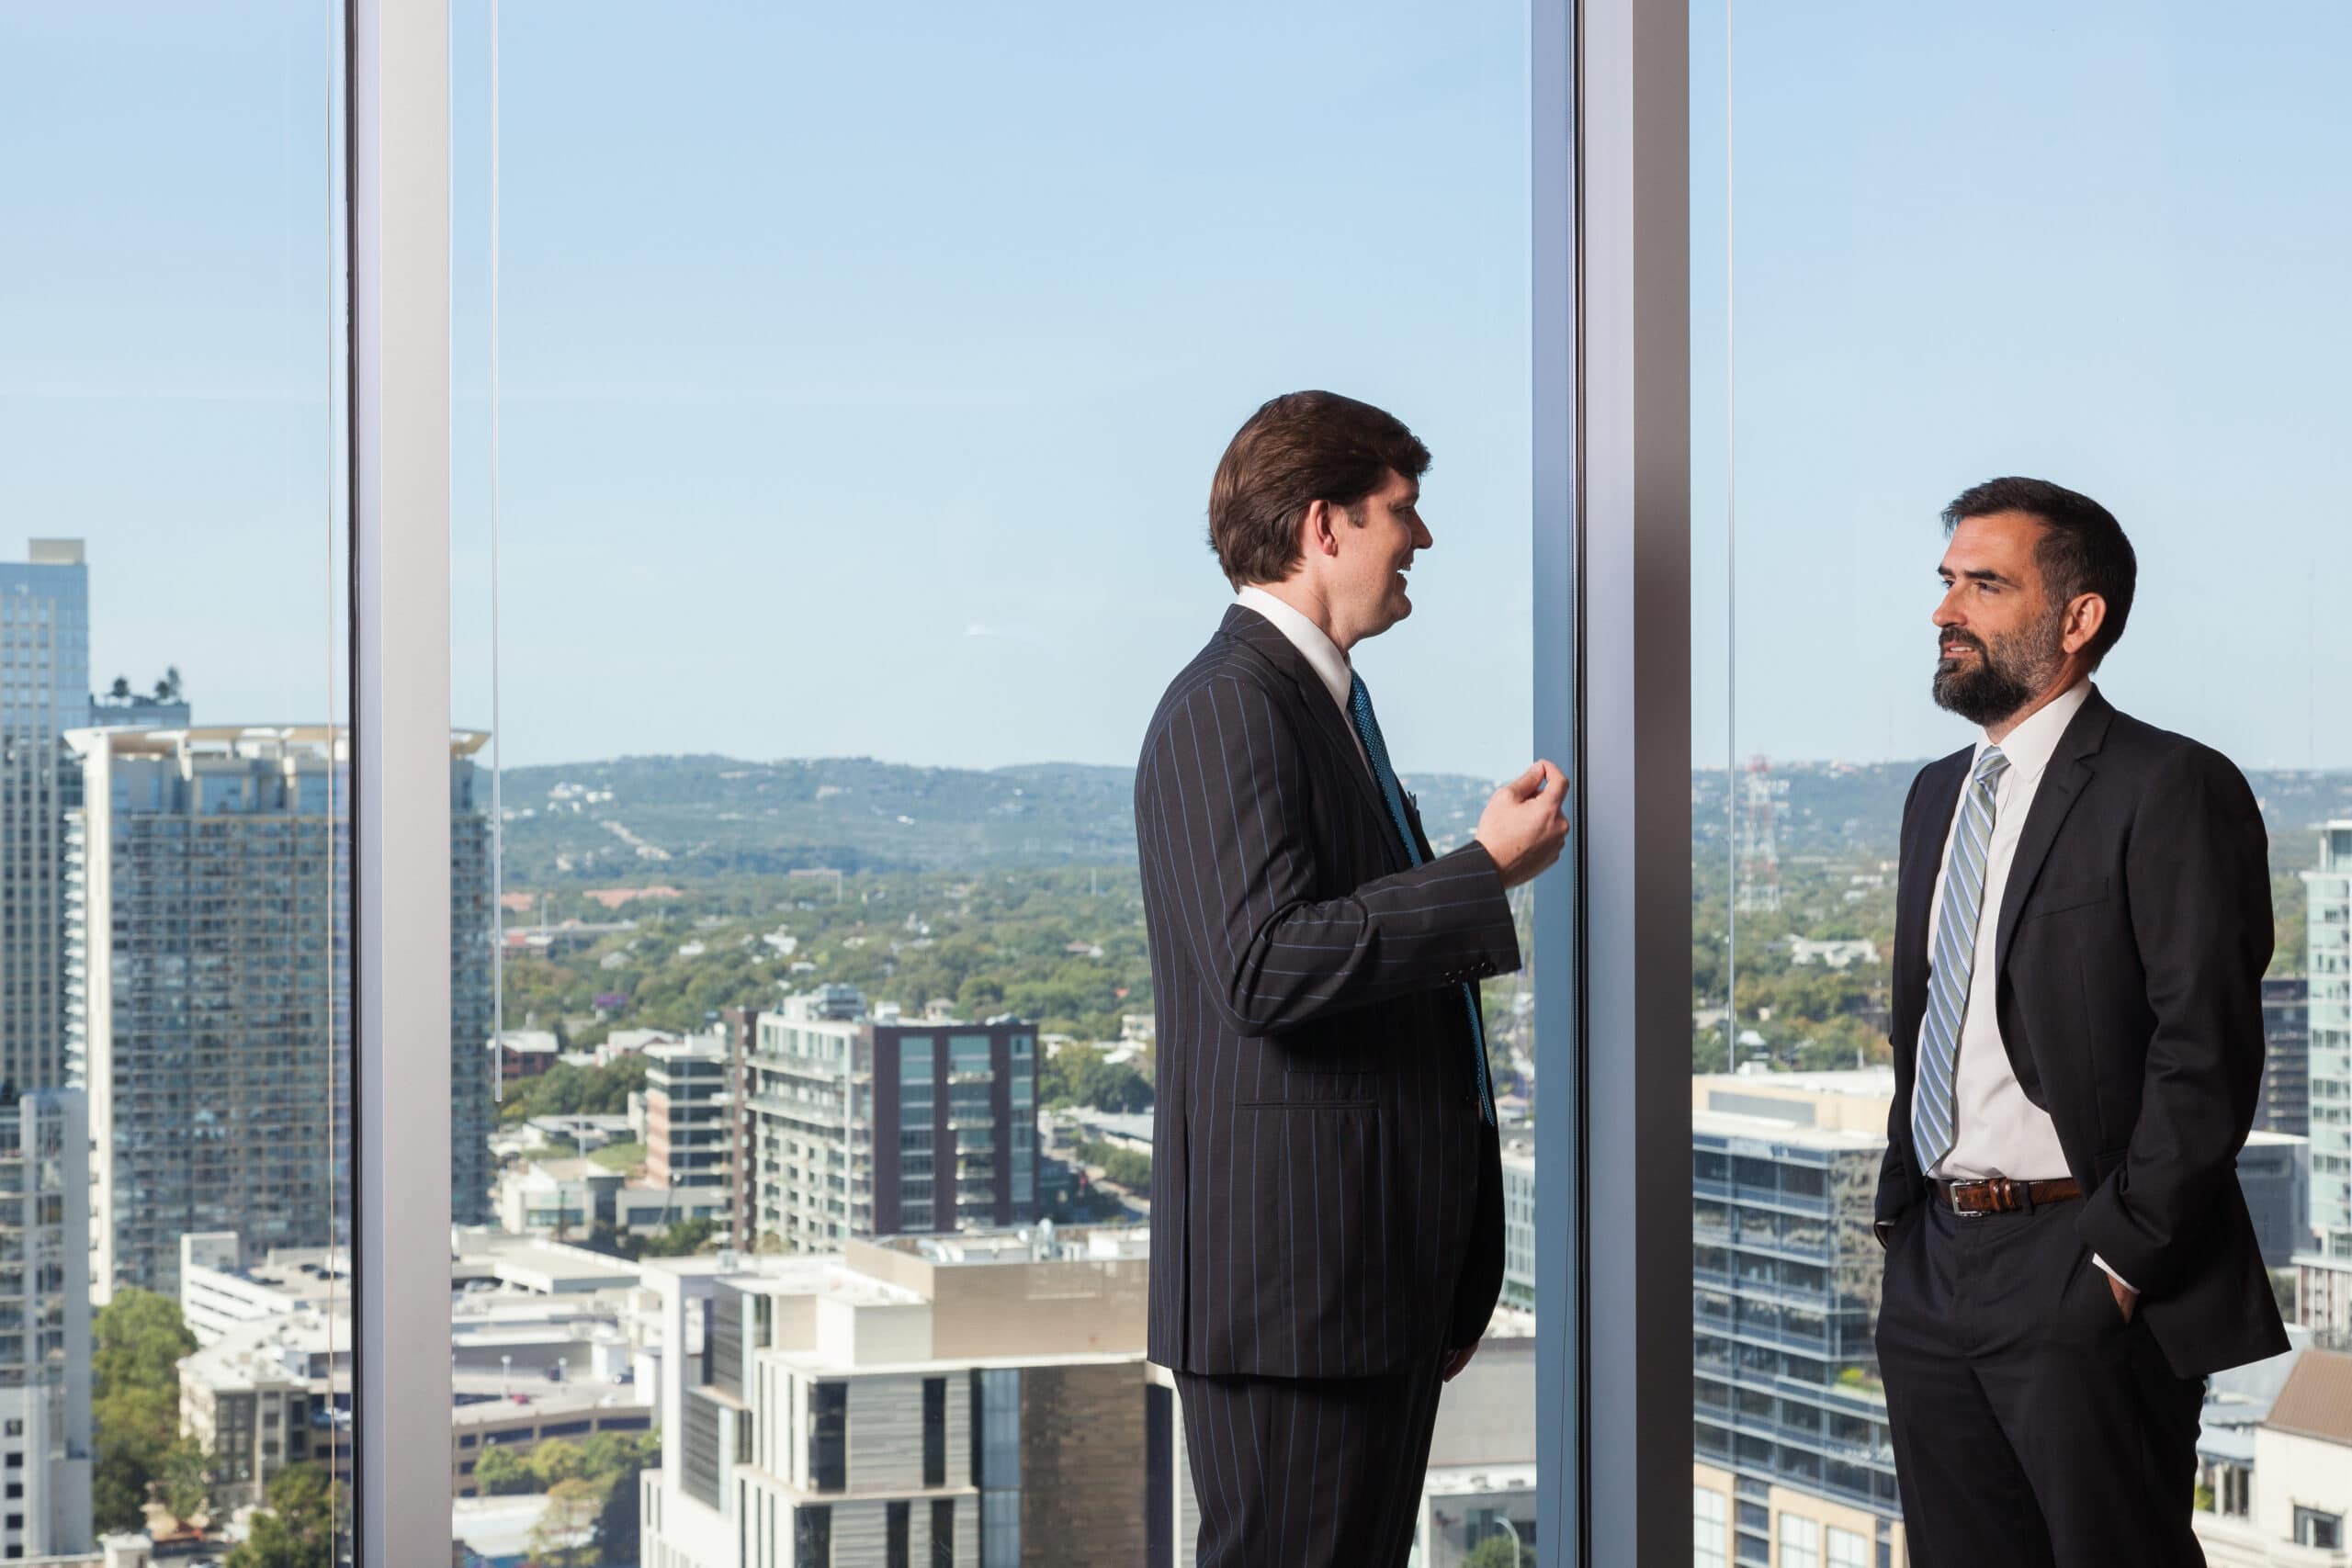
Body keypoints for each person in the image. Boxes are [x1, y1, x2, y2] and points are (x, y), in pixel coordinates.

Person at [1133, 390, 1567, 1565]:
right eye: (1401, 511)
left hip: (1359, 1294)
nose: (1419, 539)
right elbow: (1264, 965)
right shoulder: (1232, 706)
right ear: (1324, 526)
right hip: (1298, 1306)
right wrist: (1482, 871)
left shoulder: (1319, 708)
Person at [1873, 477, 2287, 1567]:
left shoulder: (2169, 786)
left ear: (2077, 617)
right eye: (1946, 580)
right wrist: (1901, 1230)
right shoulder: (1934, 796)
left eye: (1984, 584)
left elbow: (2206, 1052)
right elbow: (1920, 1030)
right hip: (1933, 1263)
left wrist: (2116, 1260)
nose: (1944, 609)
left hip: (2080, 1260)